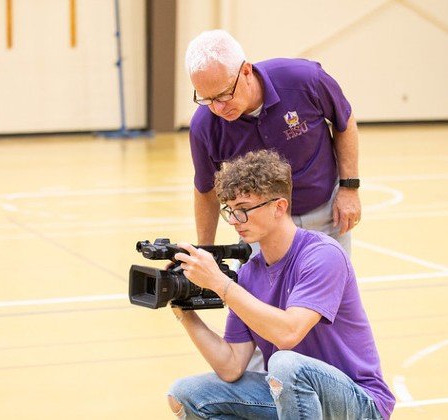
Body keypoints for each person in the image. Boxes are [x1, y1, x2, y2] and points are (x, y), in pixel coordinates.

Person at [168, 150, 394, 419]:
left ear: (279, 207)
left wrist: (220, 284)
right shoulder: (250, 273)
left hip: (359, 403)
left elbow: (289, 333)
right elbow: (231, 365)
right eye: (230, 210)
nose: (233, 221)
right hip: (294, 397)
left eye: (244, 210)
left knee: (285, 364)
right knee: (186, 393)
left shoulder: (322, 255)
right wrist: (183, 309)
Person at [185, 29, 362, 255]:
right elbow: (205, 189)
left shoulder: (305, 79)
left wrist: (349, 188)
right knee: (256, 292)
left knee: (330, 288)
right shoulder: (204, 126)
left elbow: (344, 121)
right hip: (261, 230)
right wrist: (206, 251)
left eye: (223, 95)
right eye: (206, 99)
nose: (218, 108)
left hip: (327, 216)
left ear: (246, 71)